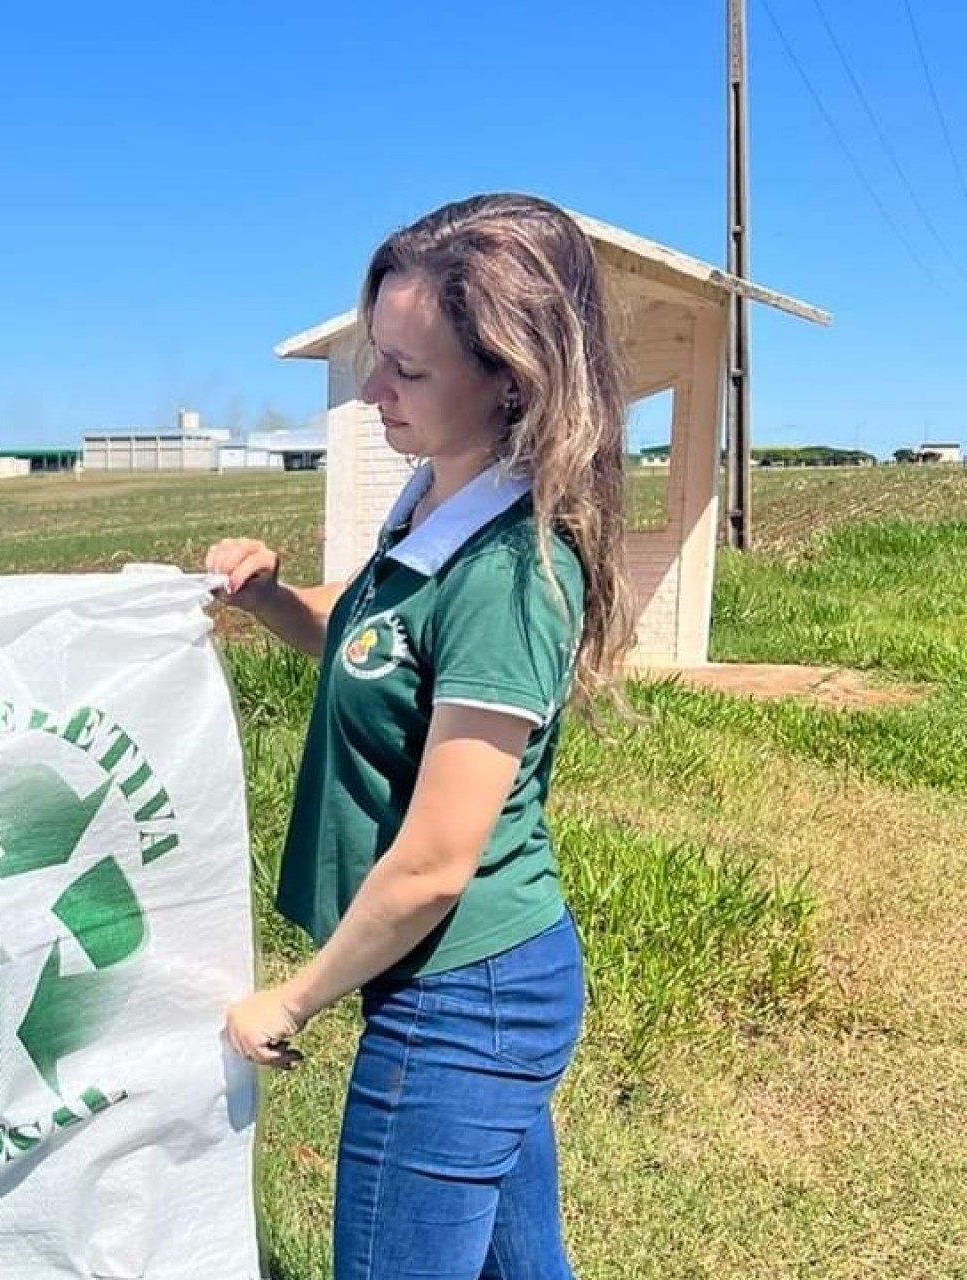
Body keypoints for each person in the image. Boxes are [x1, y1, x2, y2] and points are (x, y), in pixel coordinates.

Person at [206, 193, 631, 1279]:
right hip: (472, 983)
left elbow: (439, 863)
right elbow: (370, 645)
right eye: (373, 354)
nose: (372, 389)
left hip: (461, 992)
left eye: (409, 369)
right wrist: (271, 603)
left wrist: (291, 999)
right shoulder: (435, 501)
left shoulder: (508, 575)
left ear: (511, 380)